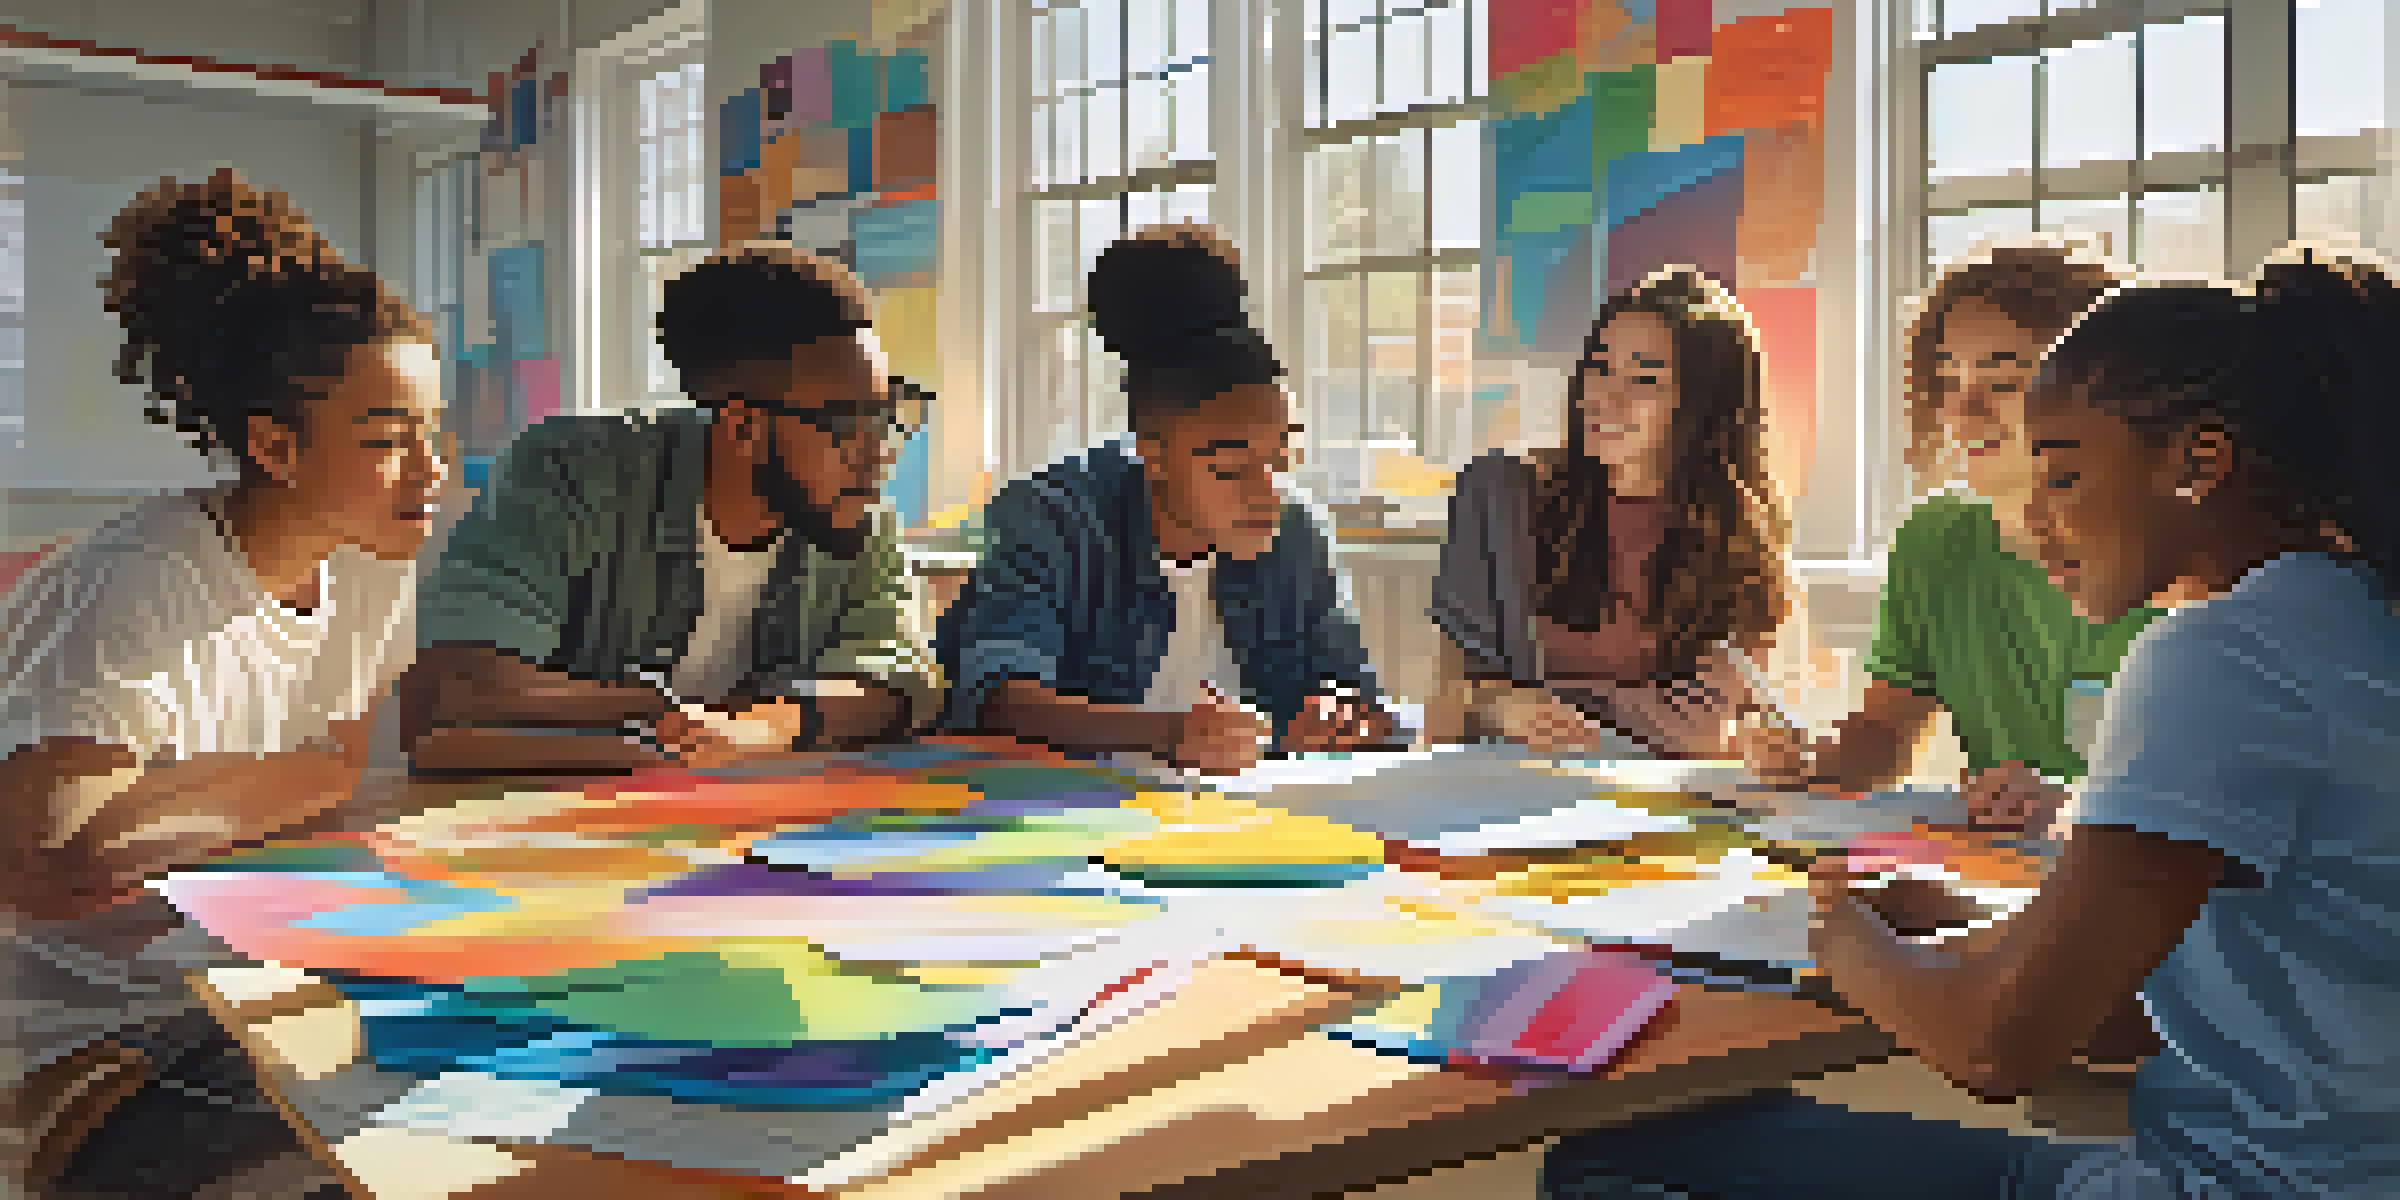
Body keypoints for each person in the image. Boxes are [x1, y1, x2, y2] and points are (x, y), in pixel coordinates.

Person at [1541, 246, 2400, 1198]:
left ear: (2200, 463)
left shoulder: (2223, 653)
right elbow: (2155, 1007)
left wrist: (1842, 938)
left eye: (2063, 477)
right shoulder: (2353, 614)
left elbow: (1995, 1049)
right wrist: (1987, 929)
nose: (2040, 520)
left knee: (1614, 1155)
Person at [0, 169, 440, 1198]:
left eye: (433, 430)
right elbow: (53, 860)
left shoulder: (373, 563)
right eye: (387, 442)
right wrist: (295, 776)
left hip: (263, 988)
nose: (430, 470)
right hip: (102, 1048)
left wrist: (233, 794)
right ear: (275, 446)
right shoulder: (139, 581)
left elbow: (331, 774)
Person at [400, 242, 939, 773]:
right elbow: (451, 691)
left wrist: (762, 727)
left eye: (887, 414)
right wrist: (654, 720)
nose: (881, 451)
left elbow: (900, 682)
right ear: (743, 426)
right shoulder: (571, 474)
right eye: (847, 424)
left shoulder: (856, 516)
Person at [934, 224, 1397, 773]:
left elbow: (1363, 699)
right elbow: (998, 700)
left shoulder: (1298, 533)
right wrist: (1170, 734)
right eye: (1230, 469)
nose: (1267, 493)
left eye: (1282, 459)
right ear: (1151, 453)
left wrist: (1341, 715)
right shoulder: (1053, 517)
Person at [1739, 238, 2160, 832]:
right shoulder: (1933, 540)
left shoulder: (2178, 559)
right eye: (1947, 378)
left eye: (2004, 381)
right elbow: (1885, 731)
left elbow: (2230, 788)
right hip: (1999, 865)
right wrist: (1809, 758)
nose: (1963, 410)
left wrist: (2072, 803)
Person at [1425, 266, 1792, 759]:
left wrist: (1515, 697)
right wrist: (1499, 706)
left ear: (1705, 407)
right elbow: (1442, 714)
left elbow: (1706, 731)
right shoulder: (1497, 496)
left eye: (1644, 379)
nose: (1604, 398)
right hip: (1507, 790)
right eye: (1599, 368)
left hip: (1652, 797)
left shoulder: (1739, 535)